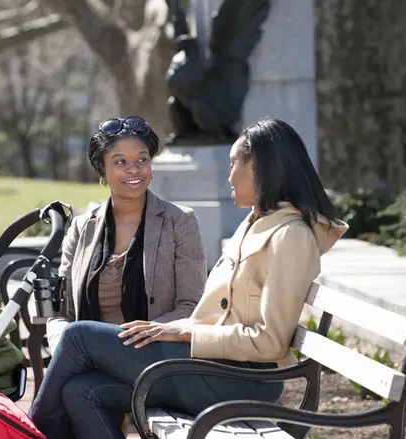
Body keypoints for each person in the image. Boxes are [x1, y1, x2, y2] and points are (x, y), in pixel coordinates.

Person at [28, 118, 349, 439]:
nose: (228, 176)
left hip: (241, 378)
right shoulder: (258, 224)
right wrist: (179, 332)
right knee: (81, 390)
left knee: (79, 336)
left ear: (260, 168)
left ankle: (23, 433)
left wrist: (184, 334)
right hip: (215, 367)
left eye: (233, 164)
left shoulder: (290, 236)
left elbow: (270, 342)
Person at [46, 116, 207, 356]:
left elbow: (192, 306)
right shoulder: (81, 228)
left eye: (142, 159)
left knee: (73, 390)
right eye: (120, 162)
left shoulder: (179, 222)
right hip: (90, 355)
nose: (134, 169)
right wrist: (63, 345)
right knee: (75, 387)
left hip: (151, 353)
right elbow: (62, 313)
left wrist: (147, 333)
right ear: (103, 170)